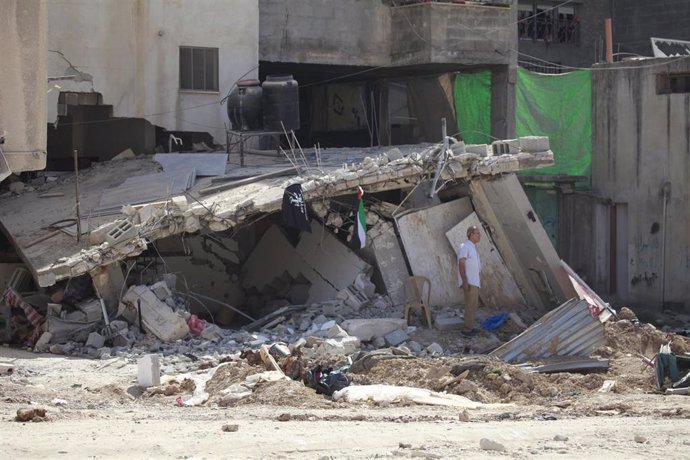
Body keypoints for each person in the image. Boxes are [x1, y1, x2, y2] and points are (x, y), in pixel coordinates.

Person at [458, 225, 481, 336]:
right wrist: (464, 280)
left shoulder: (473, 248)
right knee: (470, 305)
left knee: (473, 305)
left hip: (474, 282)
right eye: (477, 233)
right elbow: (461, 263)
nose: (479, 235)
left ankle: (470, 328)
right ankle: (466, 330)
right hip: (469, 282)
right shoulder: (465, 246)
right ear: (470, 234)